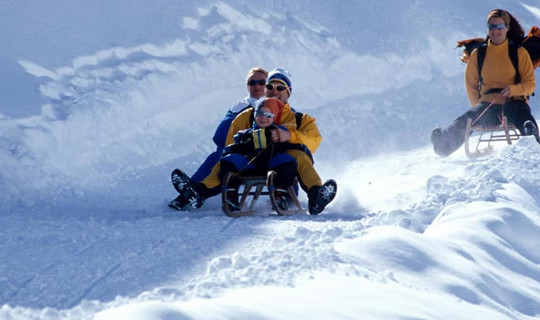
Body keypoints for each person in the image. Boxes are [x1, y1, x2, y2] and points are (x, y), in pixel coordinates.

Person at [170, 68, 337, 215]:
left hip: (282, 163)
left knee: (299, 156)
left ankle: (316, 196)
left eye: (280, 88)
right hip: (251, 161)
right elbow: (228, 145)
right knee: (224, 160)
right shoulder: (247, 115)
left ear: (288, 92)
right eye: (270, 87)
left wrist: (290, 136)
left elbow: (314, 140)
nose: (274, 91)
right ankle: (197, 192)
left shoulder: (299, 118)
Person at [431, 9, 540, 157]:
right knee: (467, 119)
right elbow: (471, 84)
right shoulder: (478, 54)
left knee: (522, 117)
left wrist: (512, 90)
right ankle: (443, 145)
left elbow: (530, 84)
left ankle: (532, 140)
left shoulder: (519, 52)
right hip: (488, 104)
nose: (495, 30)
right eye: (491, 26)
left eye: (500, 27)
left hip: (515, 101)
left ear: (507, 28)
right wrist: (478, 107)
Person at [219, 98, 298, 211]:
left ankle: (280, 196)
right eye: (260, 113)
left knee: (288, 162)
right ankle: (231, 197)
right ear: (255, 114)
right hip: (250, 165)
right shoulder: (246, 133)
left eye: (268, 115)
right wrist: (241, 141)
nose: (263, 118)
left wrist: (279, 137)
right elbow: (235, 146)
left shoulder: (278, 131)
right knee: (228, 161)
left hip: (271, 164)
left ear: (274, 117)